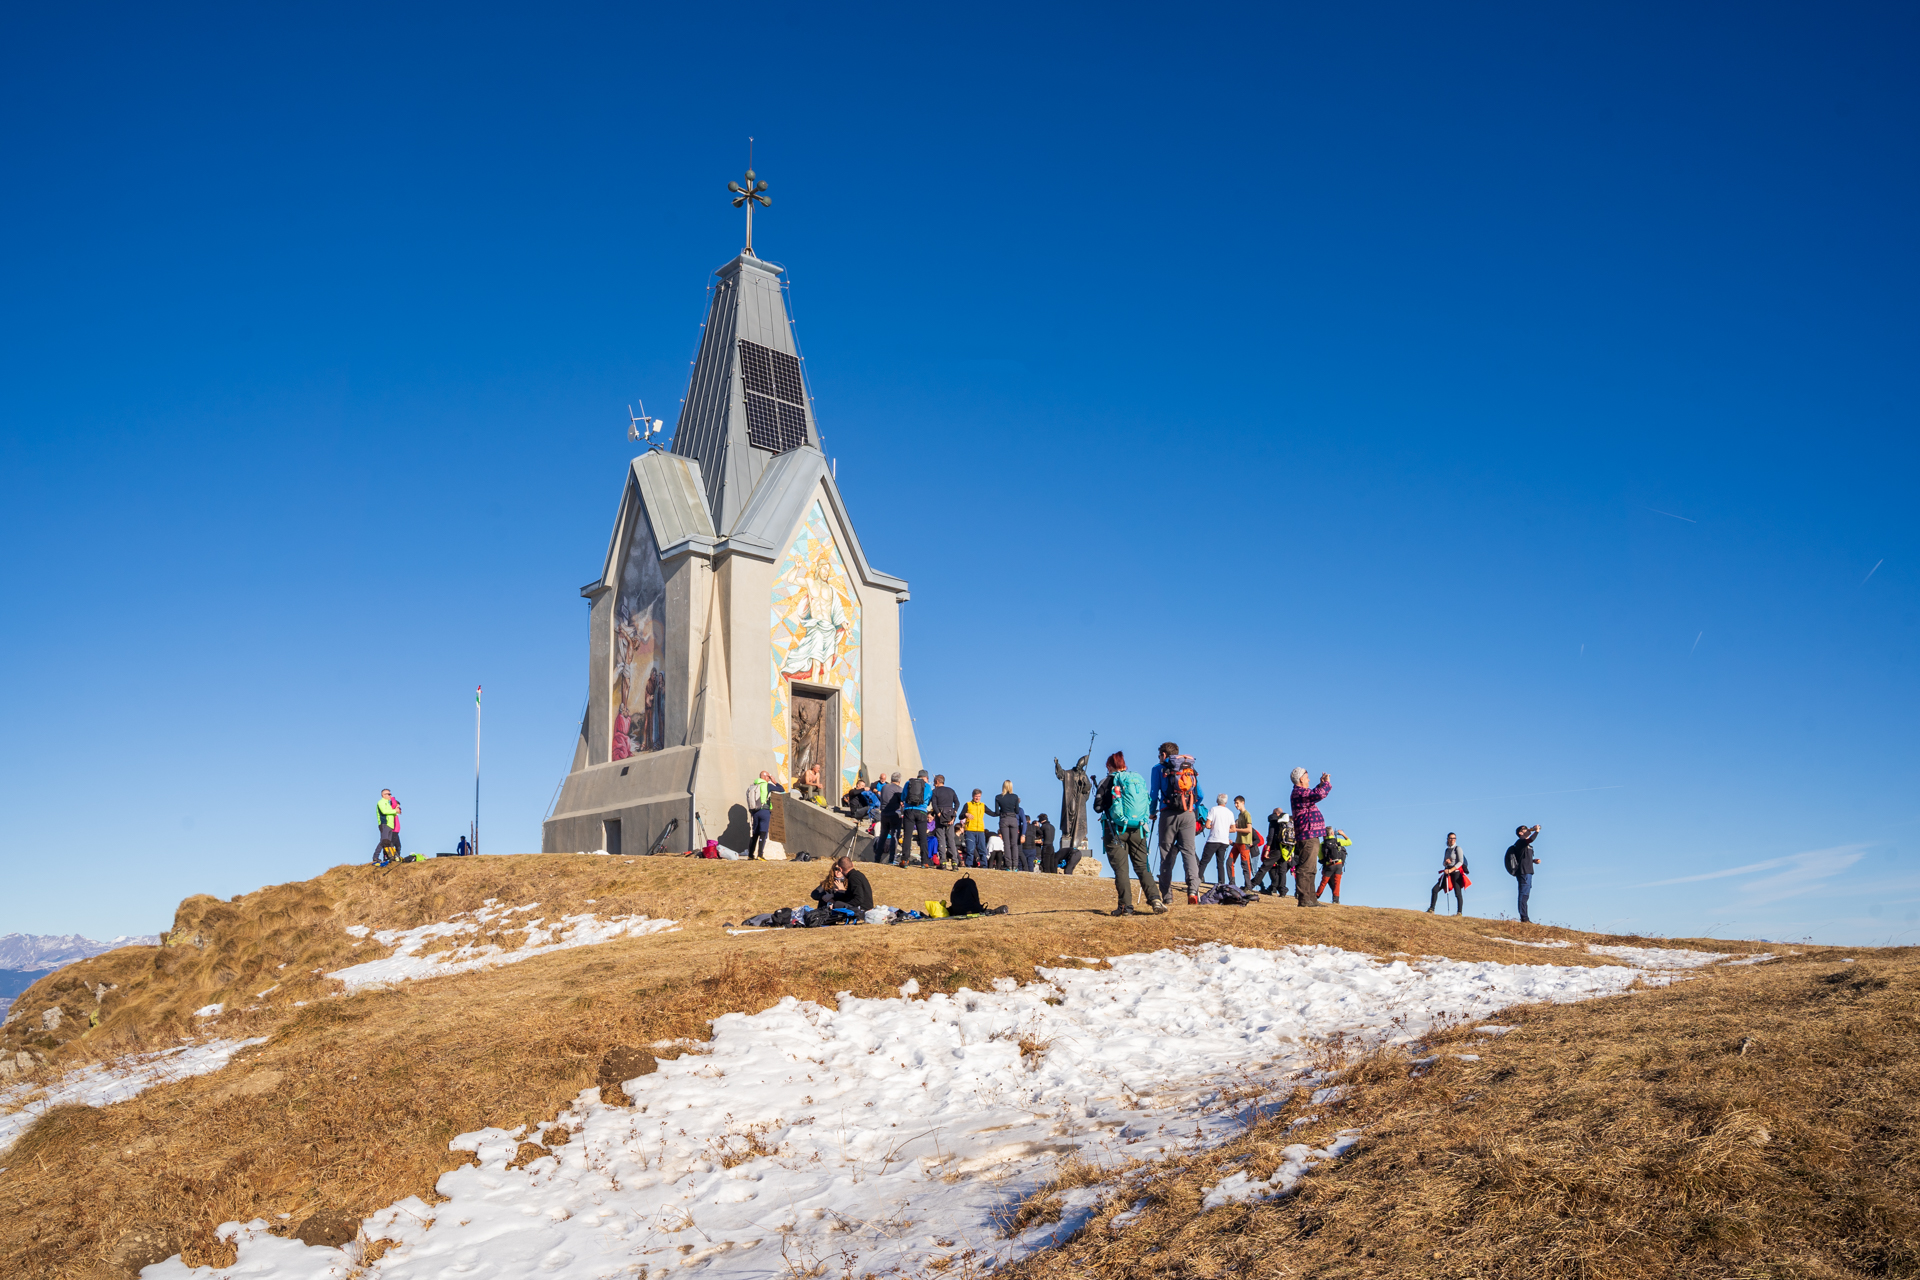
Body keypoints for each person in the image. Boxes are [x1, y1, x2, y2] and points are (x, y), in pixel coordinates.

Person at [1093, 751, 1165, 916]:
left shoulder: (1107, 781)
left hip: (1115, 830)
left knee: (1121, 870)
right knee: (1143, 867)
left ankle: (1126, 907)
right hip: (1138, 829)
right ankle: (1155, 899)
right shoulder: (1135, 780)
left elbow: (1097, 807)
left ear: (1109, 766)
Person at [1150, 743, 1203, 905]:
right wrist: (1192, 806)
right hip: (1188, 814)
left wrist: (1152, 812)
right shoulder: (1189, 768)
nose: (1159, 758)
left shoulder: (1158, 769)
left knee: (1166, 853)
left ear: (1164, 754)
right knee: (1189, 852)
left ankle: (1167, 895)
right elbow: (1200, 794)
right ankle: (1193, 890)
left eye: (1159, 755)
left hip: (1168, 814)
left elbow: (1154, 793)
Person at [1290, 768, 1332, 908]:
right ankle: (1304, 899)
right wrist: (1326, 784)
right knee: (1306, 867)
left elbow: (1313, 794)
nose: (1309, 780)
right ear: (1301, 779)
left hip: (1311, 834)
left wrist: (1320, 785)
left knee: (1311, 868)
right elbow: (1318, 795)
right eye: (1307, 777)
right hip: (1307, 834)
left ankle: (1311, 899)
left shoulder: (1301, 793)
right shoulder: (1299, 792)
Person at [1504, 824, 1542, 922]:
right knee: (1523, 894)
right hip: (1523, 872)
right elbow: (1531, 839)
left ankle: (1525, 917)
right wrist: (1536, 832)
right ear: (1520, 833)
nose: (1527, 829)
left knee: (1526, 894)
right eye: (1524, 829)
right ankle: (1524, 917)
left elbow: (1522, 857)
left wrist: (1533, 861)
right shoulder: (1521, 842)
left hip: (1528, 871)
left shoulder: (1528, 846)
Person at [896, 770, 933, 866]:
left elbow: (903, 797)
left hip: (909, 810)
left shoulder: (909, 783)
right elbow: (928, 799)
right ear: (927, 778)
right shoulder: (928, 786)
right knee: (923, 837)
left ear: (918, 776)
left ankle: (904, 860)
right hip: (922, 812)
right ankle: (925, 862)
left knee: (907, 835)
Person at [1200, 793, 1235, 887]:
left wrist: (1214, 826)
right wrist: (1224, 828)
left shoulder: (1214, 809)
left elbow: (1207, 825)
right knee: (1220, 863)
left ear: (1217, 801)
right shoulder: (1230, 813)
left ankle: (1197, 878)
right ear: (1226, 802)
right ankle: (1221, 882)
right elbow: (1233, 828)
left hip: (1213, 839)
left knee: (1204, 861)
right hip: (1224, 841)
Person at [748, 771, 785, 860]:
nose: (769, 778)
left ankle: (750, 854)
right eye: (768, 776)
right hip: (764, 811)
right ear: (765, 777)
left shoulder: (753, 786)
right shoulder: (767, 785)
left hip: (755, 812)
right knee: (763, 833)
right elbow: (782, 790)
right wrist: (774, 781)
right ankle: (760, 855)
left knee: (755, 833)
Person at [1428, 834, 1467, 915]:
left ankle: (1459, 912)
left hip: (1456, 873)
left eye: (1454, 838)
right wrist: (1446, 862)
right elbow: (1443, 863)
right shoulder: (1447, 850)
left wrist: (1451, 870)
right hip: (1447, 872)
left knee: (1458, 893)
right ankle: (1431, 909)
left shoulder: (1458, 849)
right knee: (1435, 889)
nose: (1452, 840)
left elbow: (1460, 862)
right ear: (1448, 839)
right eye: (1450, 838)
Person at [1261, 808, 1294, 894]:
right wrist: (1290, 854)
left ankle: (1253, 884)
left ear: (1276, 813)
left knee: (1266, 867)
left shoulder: (1273, 821)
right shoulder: (1287, 823)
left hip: (1275, 848)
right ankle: (1282, 890)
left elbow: (1271, 836)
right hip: (1285, 849)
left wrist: (1267, 849)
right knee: (1282, 871)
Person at [991, 782, 1021, 875]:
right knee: (1014, 844)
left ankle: (1008, 865)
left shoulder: (998, 797)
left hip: (1004, 819)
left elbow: (996, 812)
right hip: (1013, 819)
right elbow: (1017, 811)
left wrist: (1003, 810)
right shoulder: (1015, 797)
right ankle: (1015, 865)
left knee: (1006, 843)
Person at [931, 774, 960, 867]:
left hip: (940, 817)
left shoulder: (935, 791)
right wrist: (954, 815)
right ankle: (955, 863)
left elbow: (934, 804)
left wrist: (938, 814)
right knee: (951, 840)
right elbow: (957, 803)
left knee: (941, 839)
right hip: (950, 817)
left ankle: (943, 862)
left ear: (937, 782)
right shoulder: (951, 790)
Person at [1316, 829, 1350, 902]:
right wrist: (1343, 834)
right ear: (1332, 833)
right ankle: (1336, 900)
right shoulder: (1338, 841)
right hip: (1339, 864)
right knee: (1337, 882)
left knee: (1323, 882)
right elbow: (1349, 842)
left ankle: (1317, 895)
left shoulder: (1322, 844)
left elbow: (1321, 857)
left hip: (1329, 865)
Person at [1229, 796, 1256, 889]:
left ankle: (1248, 886)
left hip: (1244, 843)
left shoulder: (1246, 814)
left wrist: (1236, 829)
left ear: (1242, 802)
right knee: (1229, 862)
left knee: (1245, 865)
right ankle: (1232, 883)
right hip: (1237, 842)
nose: (1236, 805)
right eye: (1235, 803)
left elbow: (1249, 830)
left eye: (1237, 803)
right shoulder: (1240, 815)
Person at [877, 772, 904, 859]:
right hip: (894, 814)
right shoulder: (899, 789)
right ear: (899, 780)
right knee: (894, 836)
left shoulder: (884, 787)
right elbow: (902, 801)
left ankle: (877, 857)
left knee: (883, 836)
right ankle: (892, 858)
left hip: (884, 813)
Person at [961, 789, 990, 868]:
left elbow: (992, 813)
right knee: (970, 849)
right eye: (976, 796)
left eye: (979, 796)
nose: (977, 798)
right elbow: (960, 816)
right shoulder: (968, 804)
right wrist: (965, 814)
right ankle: (969, 865)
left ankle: (984, 865)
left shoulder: (982, 805)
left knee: (982, 849)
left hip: (980, 830)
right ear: (972, 796)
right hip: (970, 830)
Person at [375, 789, 402, 863]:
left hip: (390, 825)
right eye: (388, 794)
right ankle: (375, 856)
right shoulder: (381, 802)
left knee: (388, 842)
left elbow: (392, 813)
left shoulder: (387, 803)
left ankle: (389, 857)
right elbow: (384, 811)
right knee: (384, 841)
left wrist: (396, 811)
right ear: (383, 795)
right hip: (384, 823)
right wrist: (394, 811)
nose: (390, 795)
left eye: (390, 794)